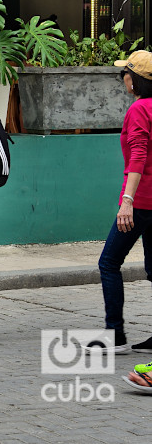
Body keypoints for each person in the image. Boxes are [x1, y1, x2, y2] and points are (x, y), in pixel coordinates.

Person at [105, 51, 152, 365]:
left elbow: (138, 157)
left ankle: (115, 335)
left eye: (126, 72)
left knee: (108, 262)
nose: (123, 77)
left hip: (142, 202)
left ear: (136, 79)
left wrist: (127, 202)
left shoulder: (139, 109)